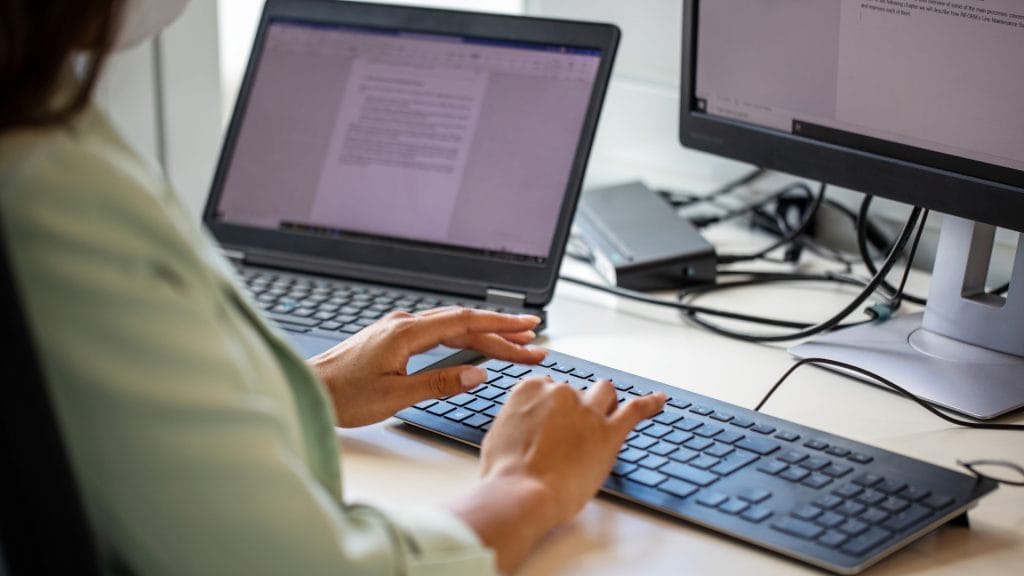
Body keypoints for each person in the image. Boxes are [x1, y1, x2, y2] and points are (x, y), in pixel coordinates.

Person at [0, 0, 666, 574]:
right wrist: (528, 484)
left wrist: (306, 390)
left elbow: (104, 428)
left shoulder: (41, 112)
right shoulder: (49, 196)